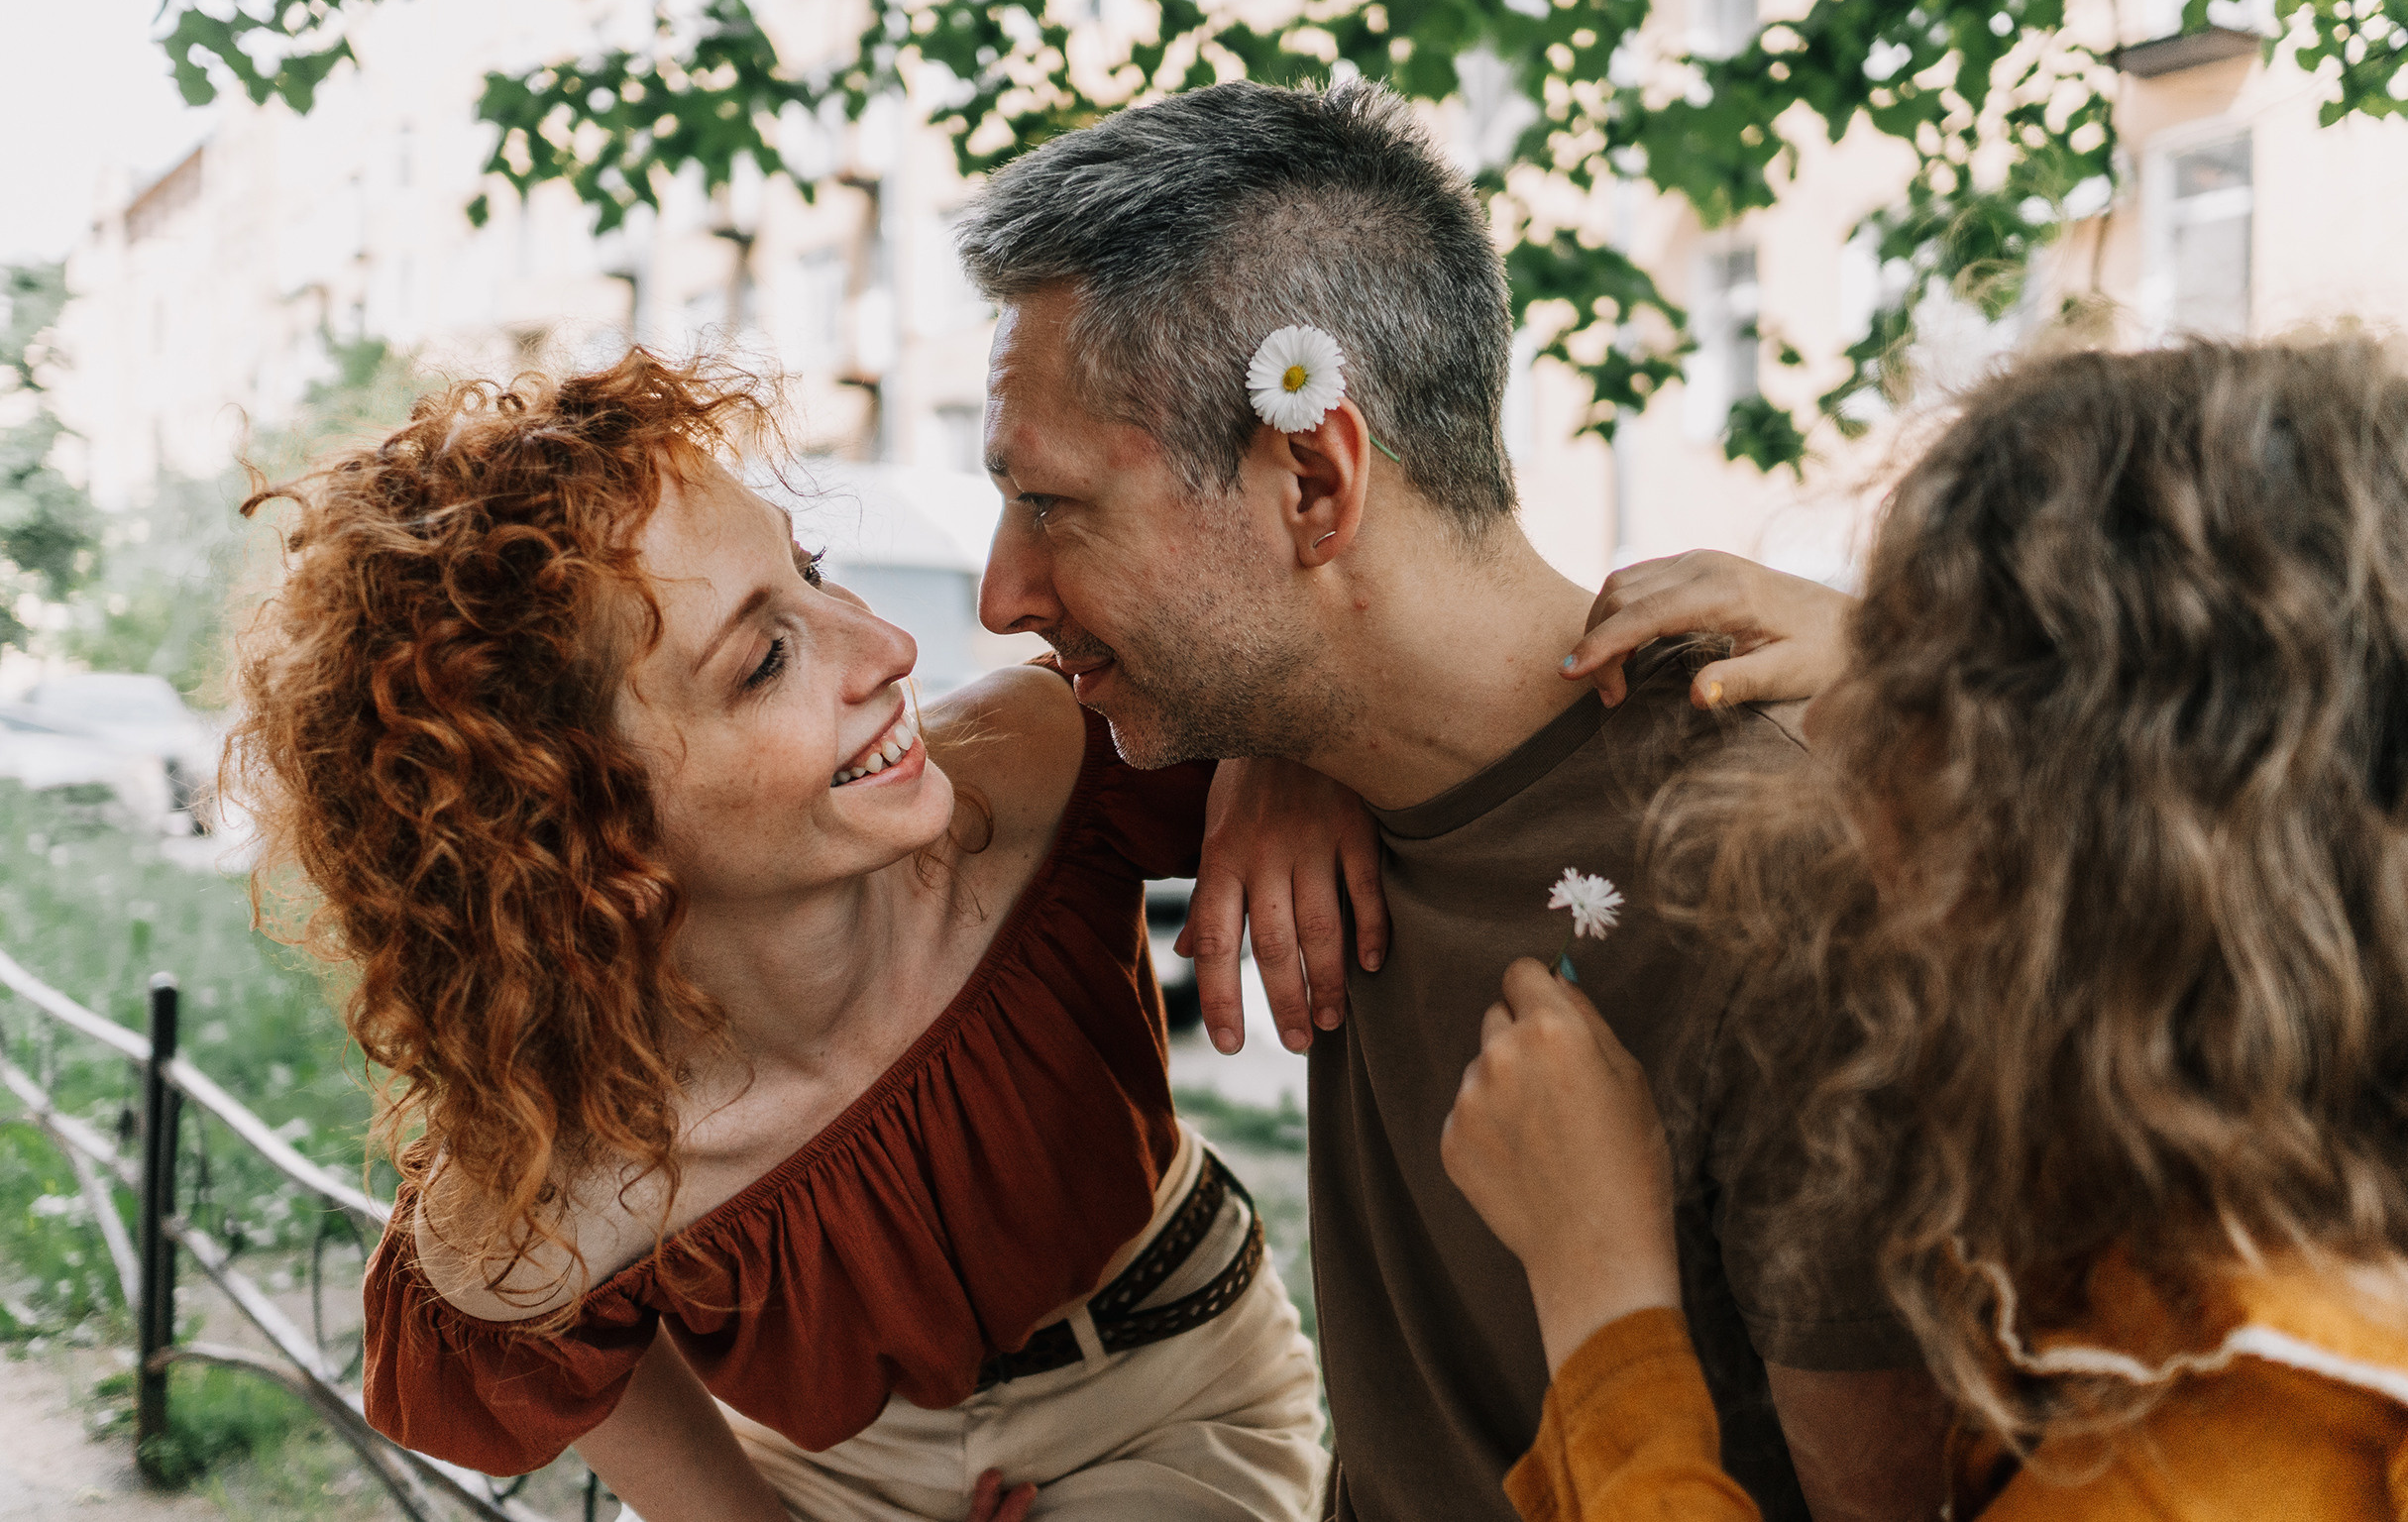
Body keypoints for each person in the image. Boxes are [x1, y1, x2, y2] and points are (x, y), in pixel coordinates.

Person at [953, 77, 1948, 1522]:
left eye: (1048, 504)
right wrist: (1274, 744)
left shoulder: (1782, 888)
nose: (999, 596)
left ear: (1311, 479)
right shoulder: (1302, 742)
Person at [228, 353, 1353, 1522]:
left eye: (811, 572)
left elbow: (1384, 694)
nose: (887, 651)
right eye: (766, 659)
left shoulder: (1026, 775)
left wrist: (1287, 753)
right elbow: (518, 1334)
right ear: (569, 831)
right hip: (831, 1474)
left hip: (1171, 1386)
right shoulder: (566, 1158)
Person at [1442, 336, 2408, 1520]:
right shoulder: (2304, 1215)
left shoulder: (2206, 1469)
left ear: (2084, 856)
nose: (1849, 809)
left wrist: (1605, 1301)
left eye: (1915, 731)